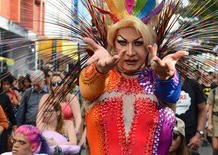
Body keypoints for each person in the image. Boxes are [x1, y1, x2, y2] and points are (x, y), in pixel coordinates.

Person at [79, 12, 187, 155]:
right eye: (122, 42)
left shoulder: (160, 80)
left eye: (138, 43)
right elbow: (88, 89)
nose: (130, 52)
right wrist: (99, 70)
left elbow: (171, 94)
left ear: (149, 47)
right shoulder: (99, 78)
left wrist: (165, 76)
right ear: (113, 45)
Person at [175, 61, 207, 151]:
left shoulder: (194, 85)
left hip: (190, 140)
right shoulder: (163, 85)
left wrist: (198, 134)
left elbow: (202, 110)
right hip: (169, 139)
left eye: (182, 65)